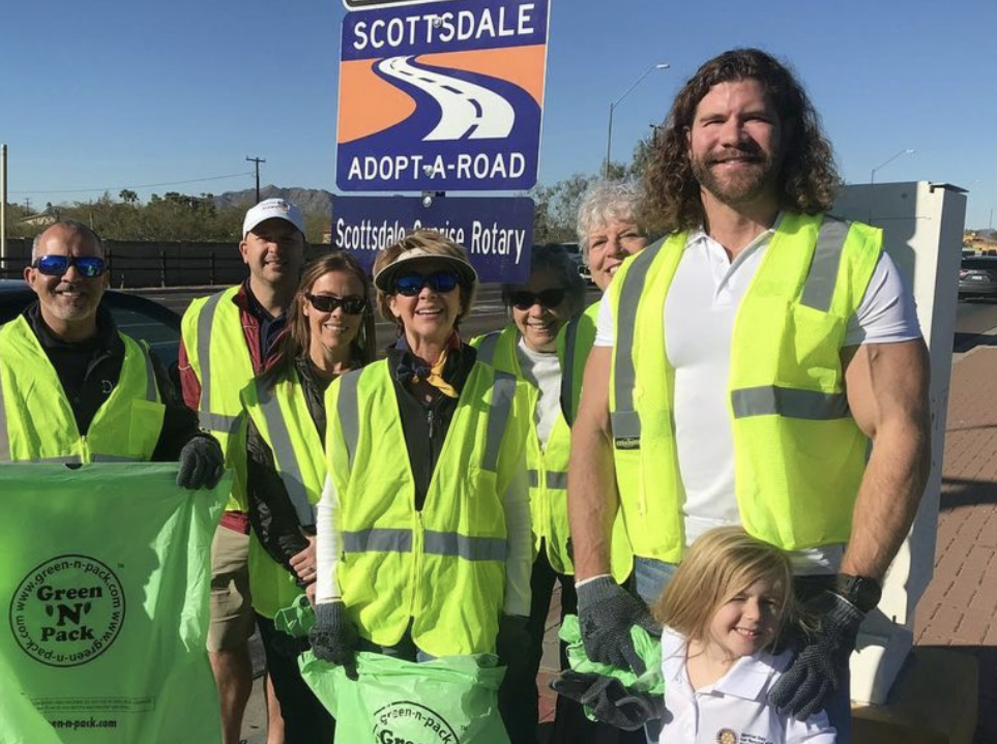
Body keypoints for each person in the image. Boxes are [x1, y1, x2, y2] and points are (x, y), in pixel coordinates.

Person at [568, 47, 931, 742]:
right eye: (713, 120)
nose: (731, 133)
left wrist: (852, 605)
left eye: (754, 117)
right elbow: (593, 428)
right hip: (666, 578)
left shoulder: (851, 256)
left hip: (798, 584)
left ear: (788, 132)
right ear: (686, 141)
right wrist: (592, 582)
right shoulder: (643, 274)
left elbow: (903, 429)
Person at [0, 218, 224, 744]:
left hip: (120, 587)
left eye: (88, 265)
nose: (71, 276)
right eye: (55, 264)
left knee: (113, 722)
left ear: (105, 278)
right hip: (17, 595)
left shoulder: (140, 362)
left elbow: (176, 434)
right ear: (32, 276)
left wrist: (198, 446)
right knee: (19, 725)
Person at [309, 231, 534, 738]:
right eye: (408, 283)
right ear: (391, 303)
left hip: (461, 619)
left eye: (443, 280)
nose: (426, 294)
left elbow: (517, 511)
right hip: (375, 617)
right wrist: (328, 601)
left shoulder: (504, 396)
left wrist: (518, 610)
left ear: (463, 298)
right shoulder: (351, 393)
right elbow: (333, 505)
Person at [471, 243, 634, 743]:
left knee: (585, 663)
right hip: (516, 541)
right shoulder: (483, 356)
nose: (536, 311)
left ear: (574, 298)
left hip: (587, 534)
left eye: (550, 296)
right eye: (522, 298)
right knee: (514, 659)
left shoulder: (599, 354)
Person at [232, 251, 377, 744]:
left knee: (363, 720)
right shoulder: (264, 396)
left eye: (352, 304)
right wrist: (308, 562)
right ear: (305, 306)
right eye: (325, 300)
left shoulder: (386, 388)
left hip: (369, 585)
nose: (338, 313)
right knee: (304, 723)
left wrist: (338, 556)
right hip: (292, 591)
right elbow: (262, 494)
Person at [180, 197, 307, 744]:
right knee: (222, 649)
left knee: (289, 653)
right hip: (226, 518)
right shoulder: (202, 316)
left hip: (295, 523)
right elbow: (190, 406)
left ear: (303, 249)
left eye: (287, 237)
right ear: (245, 248)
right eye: (264, 237)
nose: (275, 246)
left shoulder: (324, 310)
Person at [654, 527, 835, 743]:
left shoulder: (787, 675)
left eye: (770, 602)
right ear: (698, 596)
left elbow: (816, 735)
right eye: (738, 598)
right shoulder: (673, 643)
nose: (755, 614)